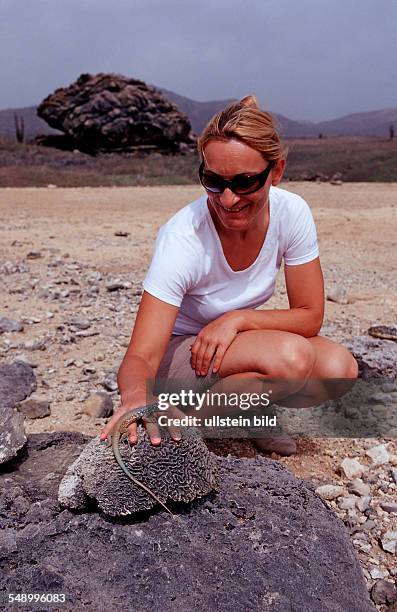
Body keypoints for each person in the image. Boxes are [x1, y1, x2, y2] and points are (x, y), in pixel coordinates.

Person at [101, 95, 358, 456]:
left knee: (339, 368)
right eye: (213, 180)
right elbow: (141, 355)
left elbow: (310, 315)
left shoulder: (292, 212)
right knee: (291, 358)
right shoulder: (183, 238)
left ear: (277, 172)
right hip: (178, 362)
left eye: (245, 182)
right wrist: (134, 398)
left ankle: (244, 415)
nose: (227, 199)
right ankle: (183, 428)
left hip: (229, 350)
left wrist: (236, 320)